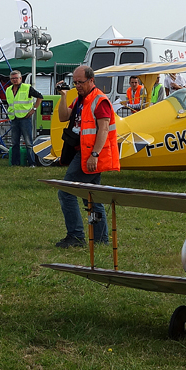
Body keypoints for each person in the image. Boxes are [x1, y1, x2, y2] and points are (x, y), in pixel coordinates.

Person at [54, 65, 119, 248]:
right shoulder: (80, 99)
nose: (77, 86)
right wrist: (64, 95)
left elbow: (104, 129)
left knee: (66, 191)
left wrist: (94, 155)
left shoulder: (100, 100)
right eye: (74, 83)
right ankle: (100, 239)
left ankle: (75, 236)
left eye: (80, 82)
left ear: (91, 80)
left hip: (90, 154)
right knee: (92, 196)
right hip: (82, 152)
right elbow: (63, 117)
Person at [5, 70, 44, 166]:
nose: (15, 80)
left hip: (25, 118)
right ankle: (15, 163)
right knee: (14, 142)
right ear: (10, 79)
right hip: (14, 118)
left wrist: (34, 109)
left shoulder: (27, 88)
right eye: (13, 78)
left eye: (16, 78)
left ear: (20, 78)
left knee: (28, 142)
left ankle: (32, 163)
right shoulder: (8, 90)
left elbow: (40, 96)